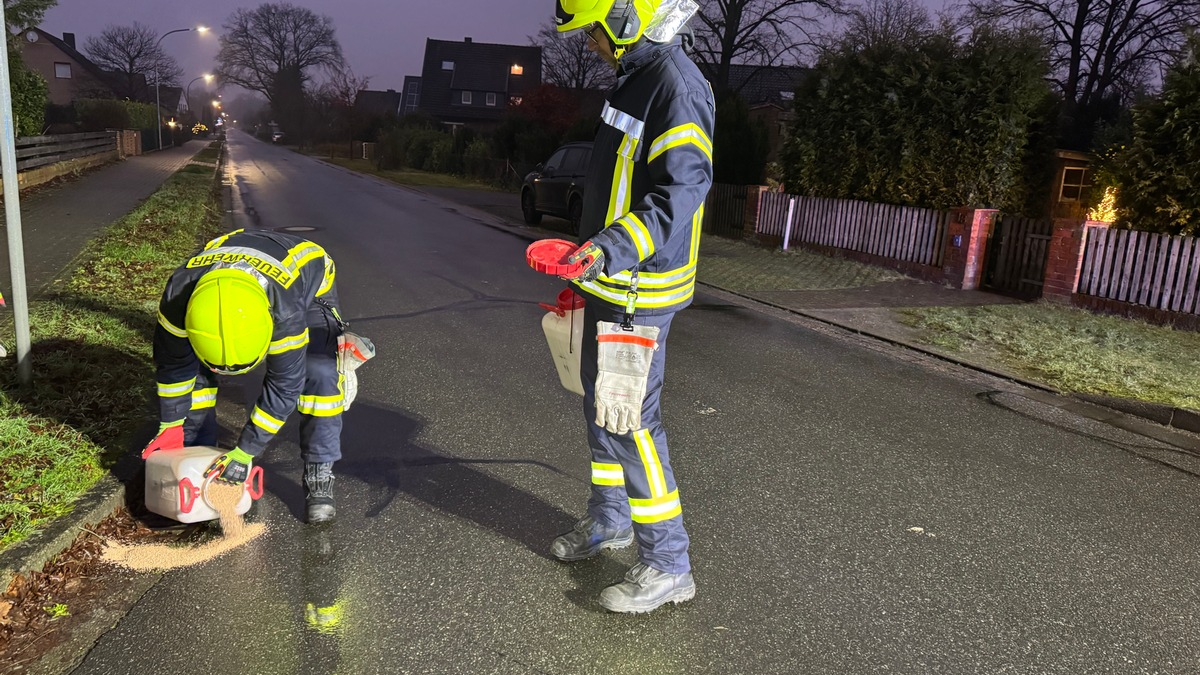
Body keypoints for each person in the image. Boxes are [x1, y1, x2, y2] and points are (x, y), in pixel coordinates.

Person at [550, 0, 715, 613]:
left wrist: (609, 250)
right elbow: (618, 187)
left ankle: (669, 563)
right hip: (608, 283)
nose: (589, 43)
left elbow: (680, 193)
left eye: (593, 30)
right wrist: (585, 265)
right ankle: (610, 521)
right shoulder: (637, 78)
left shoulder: (675, 87)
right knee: (601, 409)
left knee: (630, 422)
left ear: (625, 19)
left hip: (639, 290)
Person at [141, 228, 346, 524]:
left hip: (308, 284)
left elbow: (284, 387)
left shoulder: (285, 313)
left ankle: (319, 476)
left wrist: (246, 451)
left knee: (319, 374)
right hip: (223, 275)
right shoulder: (179, 297)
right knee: (196, 379)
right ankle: (201, 463)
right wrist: (171, 423)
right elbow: (174, 367)